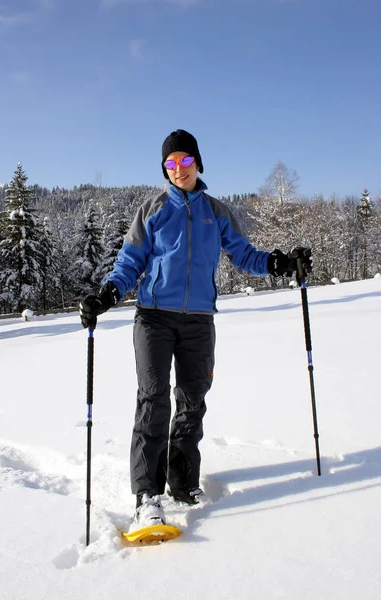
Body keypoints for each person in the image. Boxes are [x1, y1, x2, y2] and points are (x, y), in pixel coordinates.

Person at [79, 129, 312, 531]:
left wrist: (279, 263)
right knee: (153, 401)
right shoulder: (152, 210)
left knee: (192, 401)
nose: (179, 169)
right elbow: (130, 261)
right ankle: (146, 496)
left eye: (186, 161)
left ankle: (183, 482)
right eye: (171, 163)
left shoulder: (216, 211)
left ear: (198, 164)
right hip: (153, 317)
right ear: (164, 170)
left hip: (200, 320)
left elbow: (244, 253)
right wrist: (107, 294)